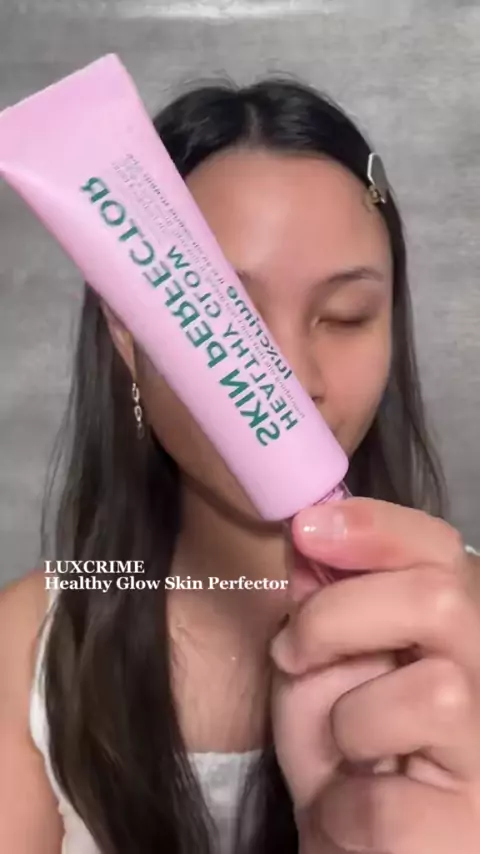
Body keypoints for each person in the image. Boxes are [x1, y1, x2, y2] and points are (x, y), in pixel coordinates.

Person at [0, 74, 479, 854]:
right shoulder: (22, 650)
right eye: (225, 320)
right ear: (128, 335)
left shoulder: (464, 633)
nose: (291, 378)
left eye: (346, 316)